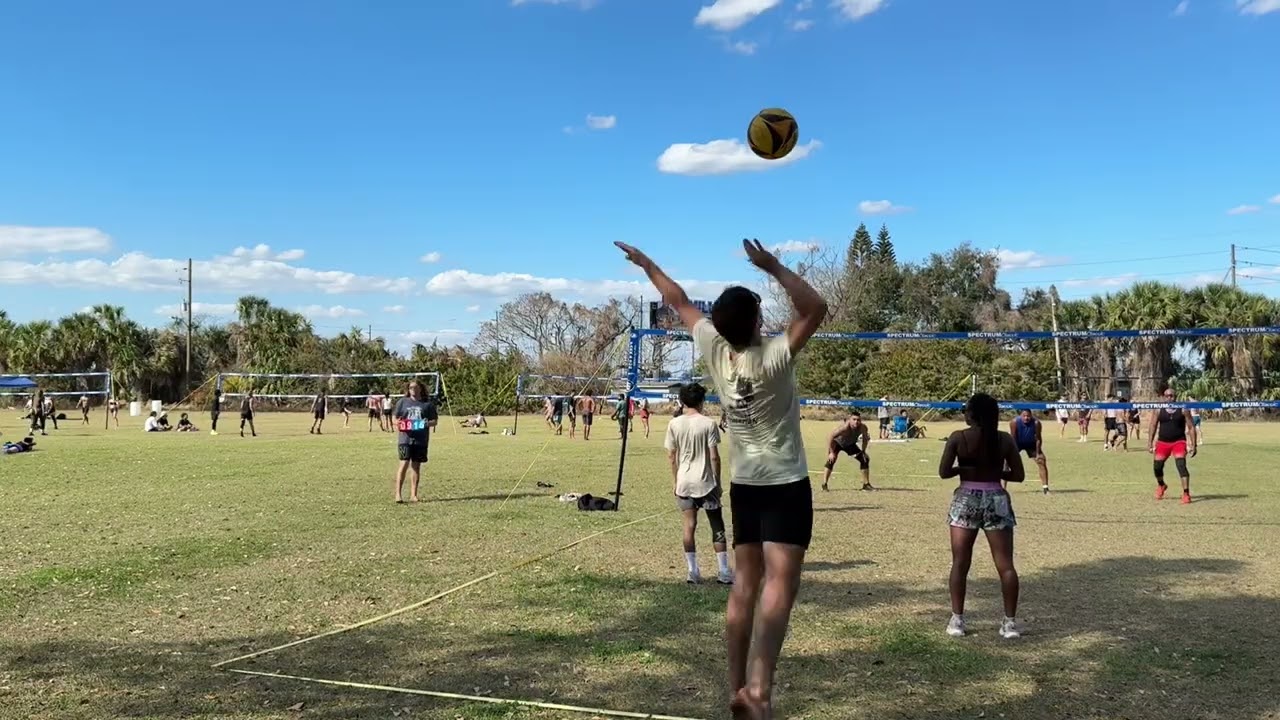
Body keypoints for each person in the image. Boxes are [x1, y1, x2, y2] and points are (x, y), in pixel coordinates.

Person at [618, 238, 827, 720]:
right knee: (780, 585)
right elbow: (815, 306)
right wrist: (771, 265)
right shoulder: (775, 355)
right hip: (785, 484)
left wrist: (648, 263)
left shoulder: (714, 347)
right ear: (756, 323)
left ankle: (736, 688)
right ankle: (758, 690)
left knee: (744, 586)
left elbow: (677, 301)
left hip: (744, 486)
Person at [940, 393, 1025, 640]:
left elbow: (944, 472)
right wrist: (995, 470)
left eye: (966, 410)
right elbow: (1018, 475)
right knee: (1005, 565)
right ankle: (1009, 623)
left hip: (966, 497)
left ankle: (957, 619)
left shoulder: (958, 437)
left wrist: (964, 468)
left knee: (960, 562)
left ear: (972, 414)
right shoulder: (1004, 439)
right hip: (996, 498)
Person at [666, 382, 733, 585]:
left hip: (685, 482)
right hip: (706, 482)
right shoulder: (709, 424)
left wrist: (675, 481)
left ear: (682, 401)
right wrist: (718, 482)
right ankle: (723, 571)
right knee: (717, 525)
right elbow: (714, 458)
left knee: (689, 526)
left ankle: (692, 571)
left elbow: (671, 456)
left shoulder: (674, 424)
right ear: (702, 401)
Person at [392, 380, 438, 503]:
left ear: (420, 389)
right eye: (410, 387)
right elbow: (395, 418)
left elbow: (434, 421)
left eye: (415, 387)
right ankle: (398, 494)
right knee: (404, 463)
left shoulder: (427, 404)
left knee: (416, 467)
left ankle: (413, 495)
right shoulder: (402, 402)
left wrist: (425, 423)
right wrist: (399, 423)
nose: (412, 389)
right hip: (405, 438)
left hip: (420, 440)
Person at [1149, 386, 1197, 504]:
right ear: (1163, 397)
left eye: (1172, 396)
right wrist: (1149, 442)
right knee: (1157, 467)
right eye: (1167, 396)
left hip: (1178, 442)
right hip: (1162, 442)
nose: (1169, 398)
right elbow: (1153, 425)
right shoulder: (1158, 409)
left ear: (1176, 397)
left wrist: (1194, 445)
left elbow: (1191, 427)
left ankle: (1186, 493)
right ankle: (1162, 485)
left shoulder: (1183, 409)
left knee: (1181, 465)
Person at [821, 411, 874, 492]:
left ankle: (866, 484)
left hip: (849, 444)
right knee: (831, 460)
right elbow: (830, 437)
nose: (856, 422)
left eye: (858, 420)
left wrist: (863, 451)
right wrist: (831, 452)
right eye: (854, 419)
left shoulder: (863, 427)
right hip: (837, 443)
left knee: (865, 459)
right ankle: (824, 484)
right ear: (850, 420)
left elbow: (865, 439)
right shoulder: (844, 428)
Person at [1009, 408, 1050, 494]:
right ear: (1021, 416)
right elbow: (1012, 438)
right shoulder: (1014, 422)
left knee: (1041, 461)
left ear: (1031, 416)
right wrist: (1011, 452)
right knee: (1006, 463)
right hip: (1018, 443)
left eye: (1028, 416)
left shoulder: (1036, 423)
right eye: (1024, 416)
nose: (1026, 418)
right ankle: (1003, 488)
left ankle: (1045, 488)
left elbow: (1038, 439)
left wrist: (1038, 453)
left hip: (1031, 444)